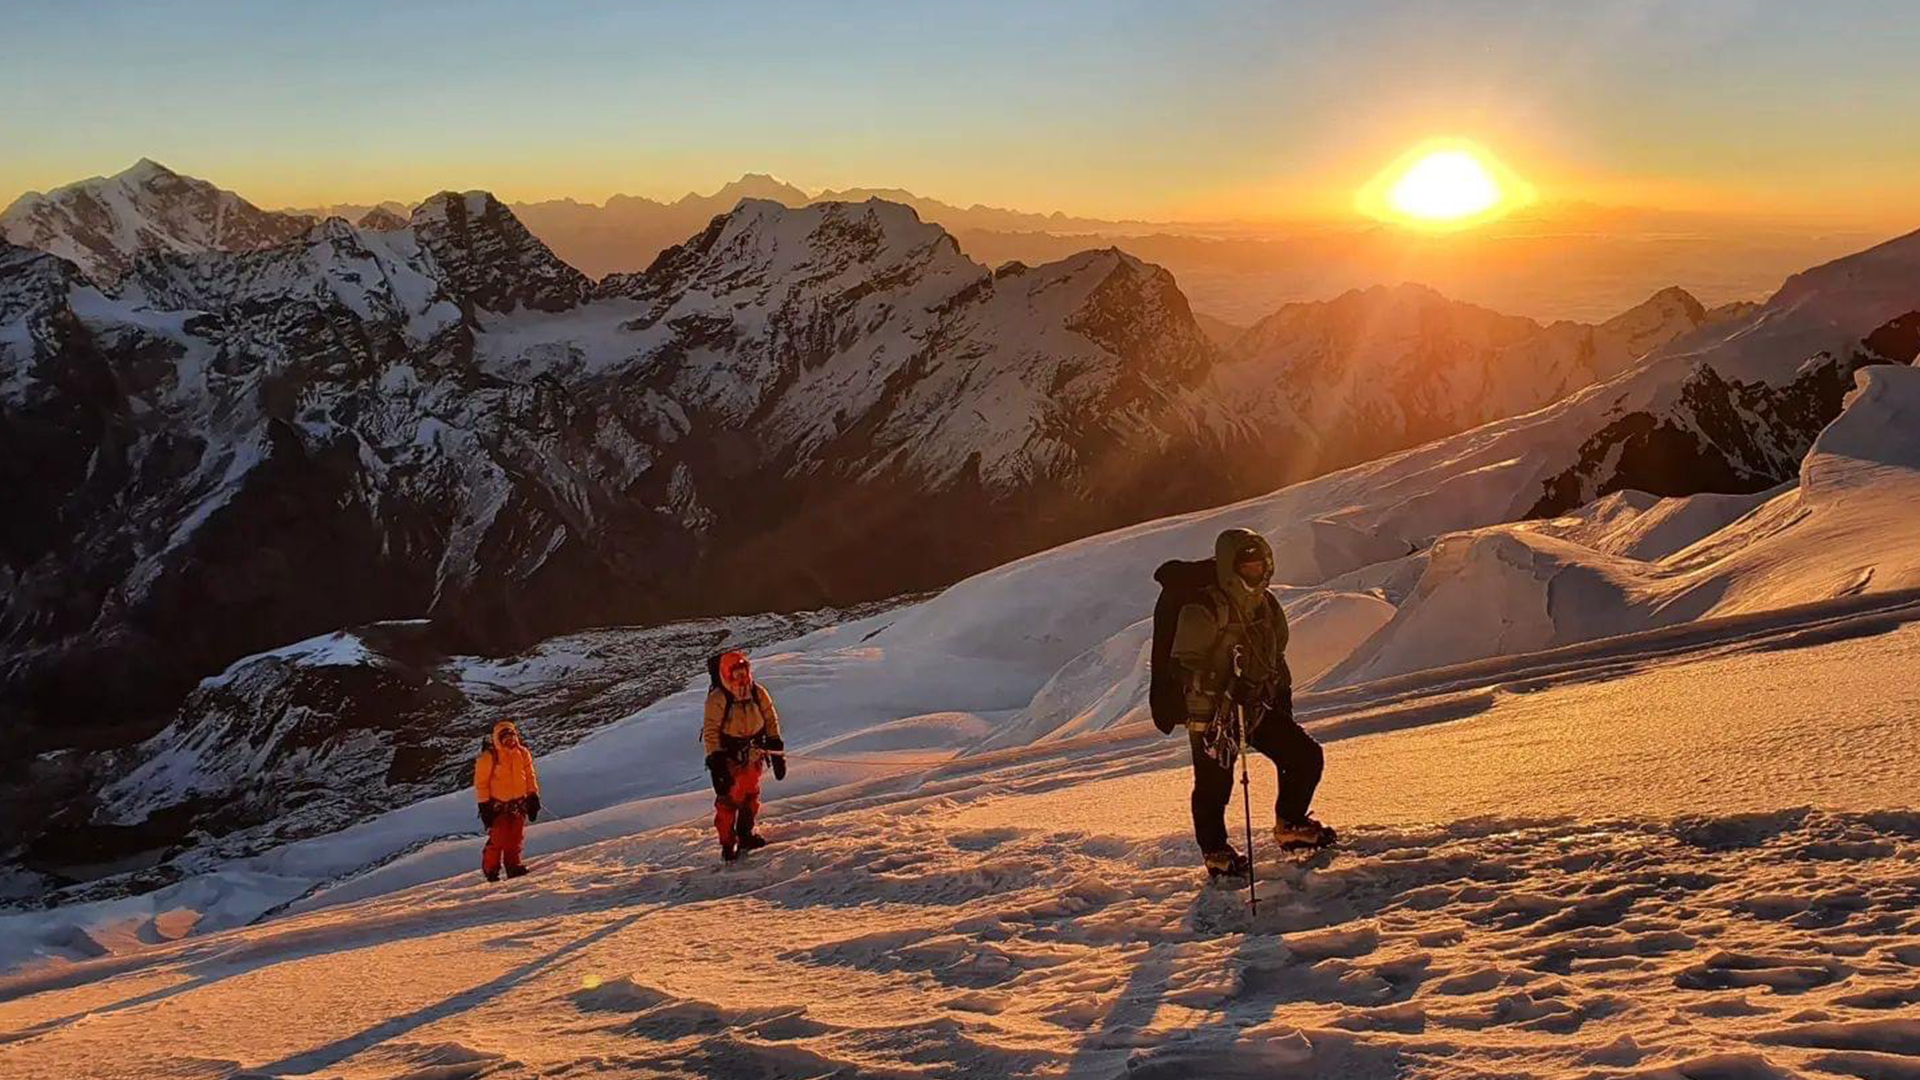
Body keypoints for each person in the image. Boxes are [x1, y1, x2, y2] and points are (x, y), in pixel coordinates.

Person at [1172, 528, 1333, 876]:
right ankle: (1215, 851)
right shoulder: (1201, 609)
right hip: (1212, 714)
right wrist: (1226, 688)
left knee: (1304, 757)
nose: (1256, 573)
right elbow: (1185, 668)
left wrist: (1279, 696)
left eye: (1260, 566)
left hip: (1258, 704)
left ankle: (1291, 824)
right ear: (1231, 568)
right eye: (1248, 568)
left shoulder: (1266, 605)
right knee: (1214, 783)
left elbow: (1276, 655)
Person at [703, 651, 788, 862]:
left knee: (750, 795)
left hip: (754, 754)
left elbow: (770, 718)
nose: (741, 677)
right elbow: (711, 731)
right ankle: (727, 843)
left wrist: (776, 747)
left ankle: (745, 835)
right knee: (730, 800)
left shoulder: (757, 692)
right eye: (736, 673)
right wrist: (716, 761)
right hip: (729, 756)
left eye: (744, 672)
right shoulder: (719, 699)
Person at [474, 719, 542, 882]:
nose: (510, 740)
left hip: (519, 802)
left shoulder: (522, 753)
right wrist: (484, 806)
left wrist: (533, 795)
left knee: (515, 837)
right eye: (505, 737)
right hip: (497, 805)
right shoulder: (489, 757)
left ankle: (513, 866)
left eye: (512, 736)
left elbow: (529, 775)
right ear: (498, 738)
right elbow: (481, 783)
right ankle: (491, 870)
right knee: (498, 838)